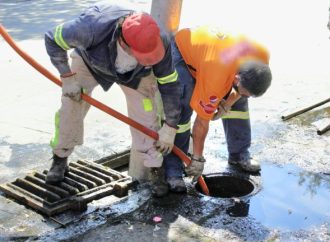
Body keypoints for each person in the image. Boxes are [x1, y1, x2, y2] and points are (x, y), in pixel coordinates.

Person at [44, 0, 182, 197]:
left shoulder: (159, 40)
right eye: (145, 55)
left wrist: (170, 126)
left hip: (136, 75)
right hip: (91, 63)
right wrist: (67, 77)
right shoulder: (91, 27)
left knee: (147, 116)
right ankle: (60, 157)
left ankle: (154, 168)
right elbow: (52, 38)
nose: (150, 57)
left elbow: (170, 85)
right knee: (71, 105)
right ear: (124, 43)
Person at [164, 26, 272, 187]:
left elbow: (241, 91)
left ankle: (239, 153)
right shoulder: (216, 78)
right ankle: (173, 170)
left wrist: (227, 103)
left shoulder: (262, 55)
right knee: (183, 106)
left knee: (240, 102)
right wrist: (197, 158)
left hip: (216, 55)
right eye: (243, 91)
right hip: (183, 52)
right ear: (236, 79)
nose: (243, 94)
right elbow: (201, 122)